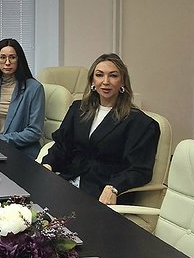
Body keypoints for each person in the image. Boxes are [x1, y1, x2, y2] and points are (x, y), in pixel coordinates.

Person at [41, 53, 159, 205]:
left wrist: (114, 187)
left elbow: (139, 169)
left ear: (123, 81)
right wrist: (47, 165)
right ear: (92, 81)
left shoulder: (140, 123)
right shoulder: (78, 109)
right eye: (99, 75)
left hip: (102, 193)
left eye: (113, 76)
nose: (105, 82)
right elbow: (62, 146)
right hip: (68, 183)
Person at [0, 38, 44, 159]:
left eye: (12, 57)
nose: (7, 62)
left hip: (22, 152)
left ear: (19, 59)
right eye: (3, 57)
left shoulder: (34, 88)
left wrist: (1, 139)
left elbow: (34, 132)